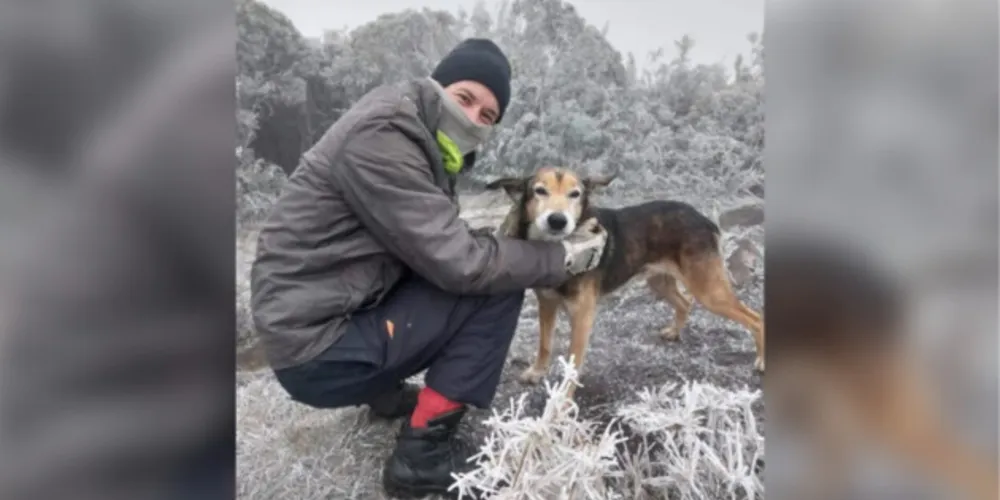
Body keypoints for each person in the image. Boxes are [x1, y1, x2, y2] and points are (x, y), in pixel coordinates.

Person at [250, 38, 608, 497]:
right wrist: (559, 258)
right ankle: (421, 459)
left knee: (468, 263)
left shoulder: (416, 137)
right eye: (465, 99)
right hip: (315, 349)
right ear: (436, 86)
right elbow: (459, 262)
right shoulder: (384, 136)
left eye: (488, 116)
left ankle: (383, 393)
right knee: (497, 285)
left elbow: (424, 242)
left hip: (315, 319)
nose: (473, 118)